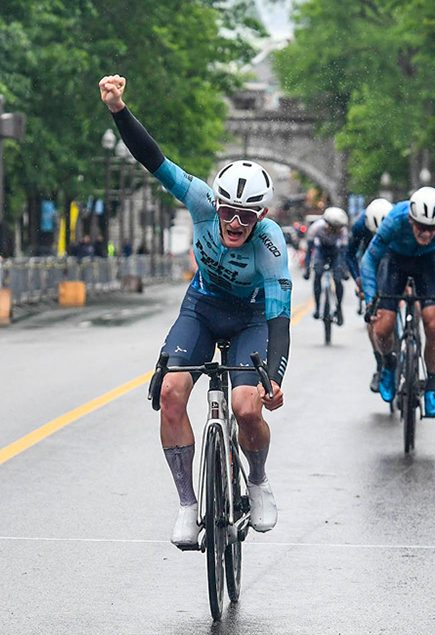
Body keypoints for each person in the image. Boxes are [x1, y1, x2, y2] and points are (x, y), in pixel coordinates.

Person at [101, 73, 290, 547]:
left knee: (248, 407)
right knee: (170, 392)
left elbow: (278, 317)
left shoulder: (270, 245)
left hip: (250, 318)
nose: (235, 223)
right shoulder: (201, 199)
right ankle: (188, 504)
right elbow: (154, 160)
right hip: (203, 306)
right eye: (229, 211)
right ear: (217, 203)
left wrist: (274, 377)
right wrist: (118, 109)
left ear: (262, 217)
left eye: (247, 216)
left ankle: (259, 479)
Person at [360, 187, 435, 417]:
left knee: (434, 324)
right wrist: (370, 300)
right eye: (420, 227)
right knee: (383, 325)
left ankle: (431, 389)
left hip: (429, 262)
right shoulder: (395, 219)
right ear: (410, 218)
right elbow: (369, 260)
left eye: (432, 229)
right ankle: (388, 364)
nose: (426, 234)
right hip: (395, 260)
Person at [348, 198, 393, 391]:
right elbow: (349, 254)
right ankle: (380, 363)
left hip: (395, 258)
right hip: (371, 261)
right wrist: (359, 279)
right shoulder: (360, 225)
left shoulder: (398, 222)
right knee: (372, 316)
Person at [303, 206, 349, 325]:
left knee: (338, 279)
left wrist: (344, 269)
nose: (336, 231)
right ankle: (318, 308)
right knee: (317, 274)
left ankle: (339, 308)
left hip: (335, 252)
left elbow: (344, 253)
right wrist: (307, 268)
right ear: (326, 223)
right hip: (321, 251)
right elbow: (309, 250)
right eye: (333, 228)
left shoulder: (343, 231)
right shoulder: (316, 228)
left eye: (338, 228)